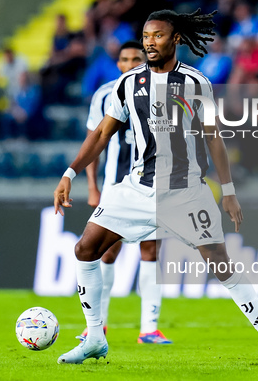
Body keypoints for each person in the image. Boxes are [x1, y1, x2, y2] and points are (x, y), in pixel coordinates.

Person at [53, 9, 258, 366]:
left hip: (186, 191)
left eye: (157, 36)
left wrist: (228, 190)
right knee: (85, 249)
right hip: (137, 187)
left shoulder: (196, 83)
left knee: (220, 263)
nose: (150, 43)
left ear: (176, 39)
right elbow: (102, 135)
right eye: (146, 36)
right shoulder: (127, 85)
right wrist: (70, 173)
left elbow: (213, 136)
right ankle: (94, 337)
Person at [79, 40, 172, 344]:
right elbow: (96, 139)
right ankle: (98, 325)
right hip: (114, 185)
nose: (130, 63)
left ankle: (149, 329)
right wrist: (92, 185)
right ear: (117, 63)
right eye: (124, 59)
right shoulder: (106, 94)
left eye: (136, 58)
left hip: (149, 185)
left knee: (151, 251)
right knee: (105, 251)